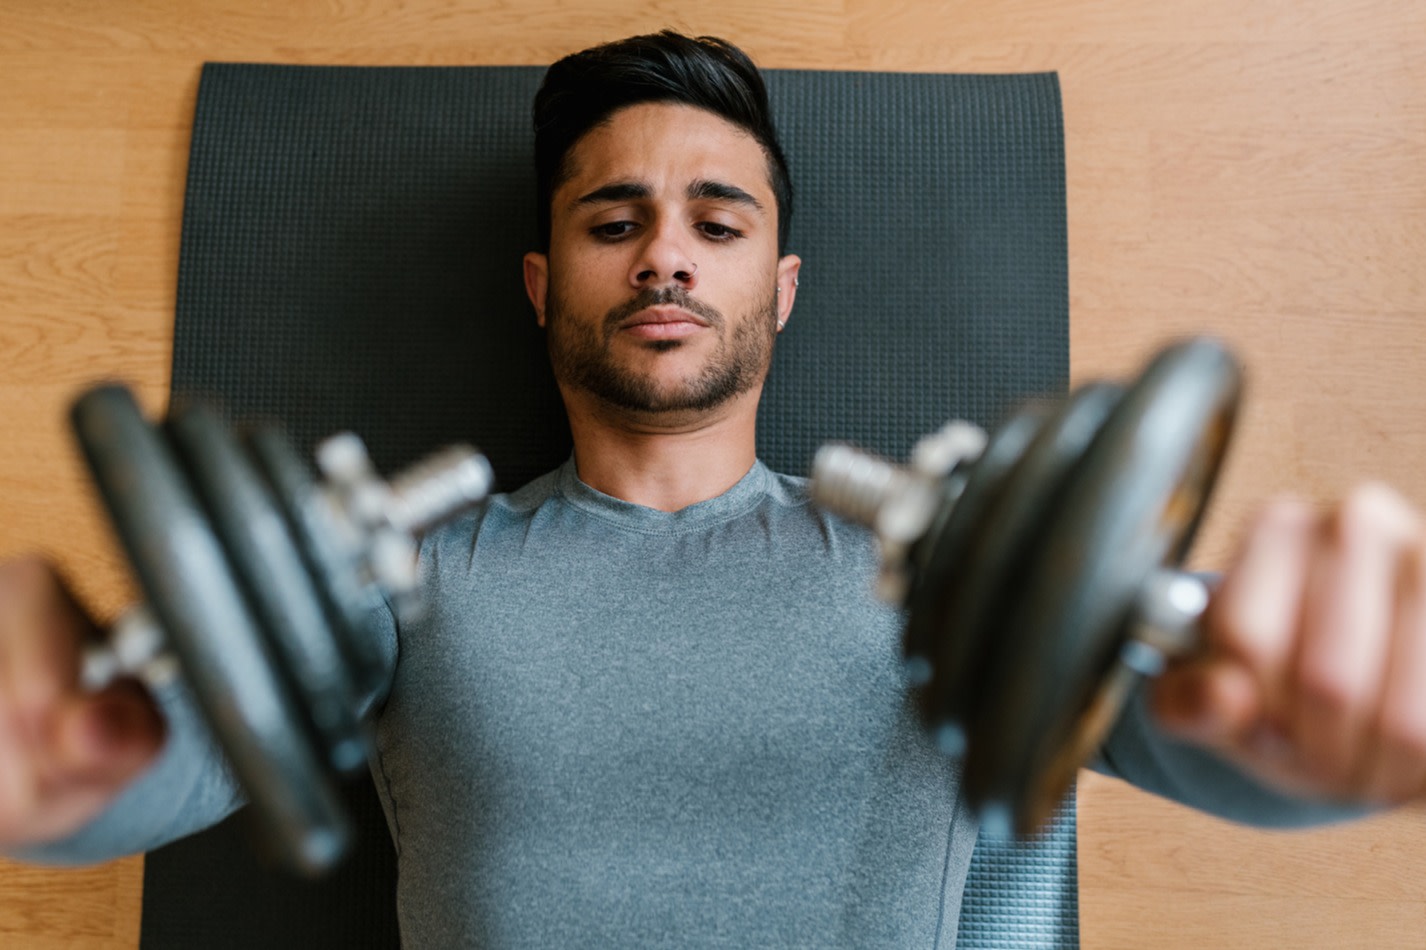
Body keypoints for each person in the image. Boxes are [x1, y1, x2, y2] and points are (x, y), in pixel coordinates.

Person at [2, 30, 1425, 948]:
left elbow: (1189, 723)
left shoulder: (941, 563)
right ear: (543, 282)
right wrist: (59, 776)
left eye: (716, 221)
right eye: (613, 220)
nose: (665, 257)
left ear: (779, 287)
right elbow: (169, 744)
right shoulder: (410, 567)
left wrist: (1308, 742)